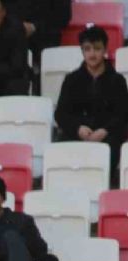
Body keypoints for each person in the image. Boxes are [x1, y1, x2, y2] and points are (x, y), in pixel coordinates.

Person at [55, 25, 128, 188]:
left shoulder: (117, 81)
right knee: (61, 144)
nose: (92, 54)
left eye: (97, 48)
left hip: (107, 136)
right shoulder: (71, 79)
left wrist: (104, 131)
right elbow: (60, 114)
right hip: (77, 133)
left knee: (113, 145)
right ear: (82, 51)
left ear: (105, 50)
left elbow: (123, 114)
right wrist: (78, 128)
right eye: (87, 49)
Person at [6, 0, 71, 57]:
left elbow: (64, 16)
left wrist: (34, 26)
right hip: (10, 39)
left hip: (46, 42)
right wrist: (15, 25)